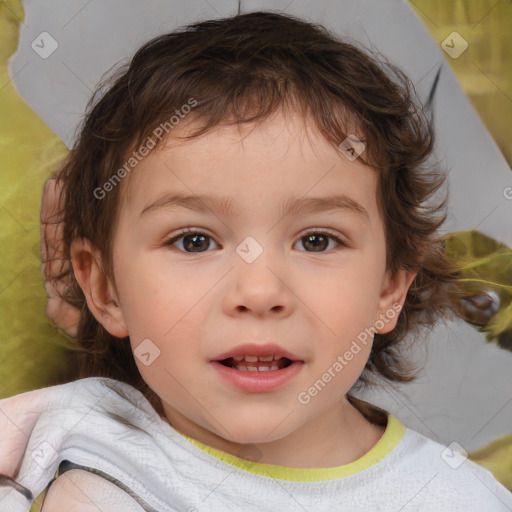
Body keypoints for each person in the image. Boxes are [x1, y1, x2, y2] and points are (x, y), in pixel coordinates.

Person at [1, 10, 511, 512]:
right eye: (194, 242)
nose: (259, 293)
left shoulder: (459, 499)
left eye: (317, 241)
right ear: (105, 288)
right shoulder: (61, 446)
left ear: (390, 288)